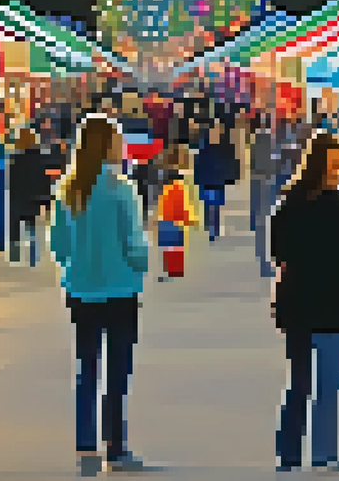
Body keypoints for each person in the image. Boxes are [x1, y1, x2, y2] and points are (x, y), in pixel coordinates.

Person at [49, 114, 151, 476]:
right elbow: (134, 241)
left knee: (86, 367)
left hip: (82, 289)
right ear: (108, 145)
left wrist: (73, 266)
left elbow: (58, 244)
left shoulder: (68, 189)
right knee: (118, 371)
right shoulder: (121, 188)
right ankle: (116, 445)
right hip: (121, 289)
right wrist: (142, 262)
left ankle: (85, 442)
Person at [271, 130, 339, 472]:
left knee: (298, 383)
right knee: (328, 387)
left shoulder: (290, 202)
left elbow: (277, 251)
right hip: (334, 307)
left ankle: (289, 454)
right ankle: (325, 454)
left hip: (296, 304)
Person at [8, 127, 54, 267]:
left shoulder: (15, 158)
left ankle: (15, 255)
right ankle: (34, 257)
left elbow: (11, 180)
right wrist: (46, 201)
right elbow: (44, 180)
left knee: (15, 226)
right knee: (32, 225)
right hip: (34, 197)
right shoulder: (40, 157)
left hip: (18, 197)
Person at [156, 145, 197, 280]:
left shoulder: (165, 179)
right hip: (173, 217)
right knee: (176, 246)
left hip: (165, 216)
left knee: (169, 246)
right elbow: (182, 203)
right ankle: (175, 270)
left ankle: (171, 269)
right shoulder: (179, 184)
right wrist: (189, 217)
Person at [250, 114, 283, 278]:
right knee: (265, 221)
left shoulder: (259, 138)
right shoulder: (265, 138)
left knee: (261, 221)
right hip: (266, 182)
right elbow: (267, 163)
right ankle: (265, 261)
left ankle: (264, 259)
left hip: (261, 182)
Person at [195, 124, 238, 242]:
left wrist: (230, 176)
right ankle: (211, 226)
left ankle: (214, 228)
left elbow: (231, 162)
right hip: (208, 179)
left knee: (215, 205)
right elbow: (198, 164)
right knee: (210, 204)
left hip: (217, 180)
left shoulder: (224, 147)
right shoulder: (204, 147)